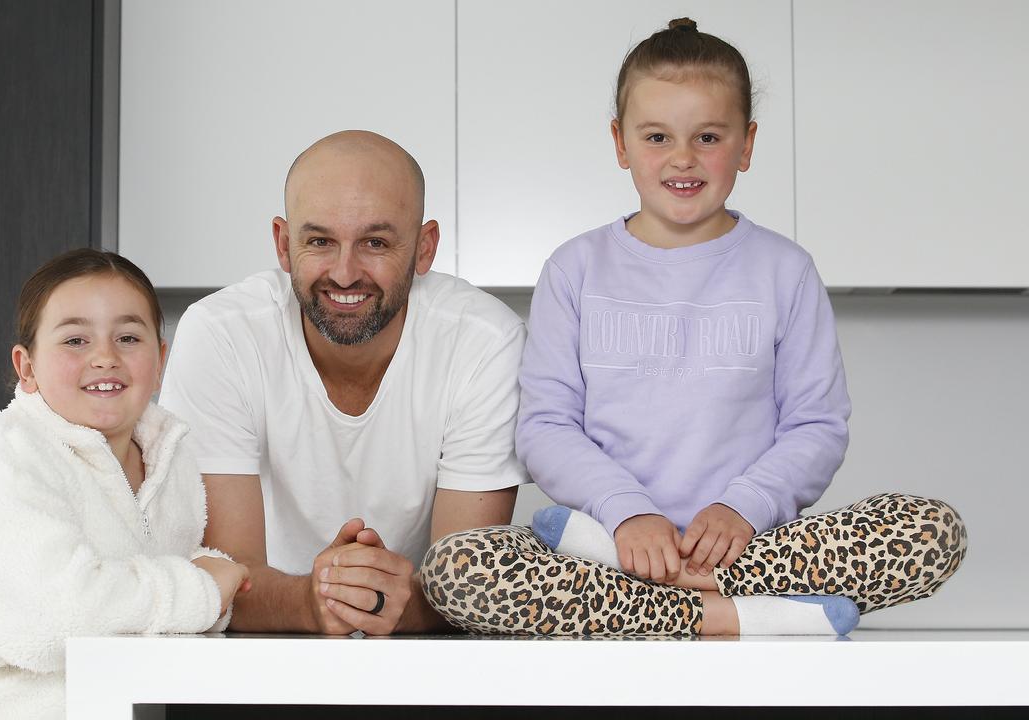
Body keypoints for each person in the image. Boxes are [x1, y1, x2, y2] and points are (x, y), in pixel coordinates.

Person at [421, 19, 966, 636]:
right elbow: (546, 427)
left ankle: (684, 610)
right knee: (456, 567)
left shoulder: (786, 271)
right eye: (657, 136)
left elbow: (815, 425)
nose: (683, 158)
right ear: (621, 143)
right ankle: (733, 619)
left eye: (708, 136)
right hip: (605, 553)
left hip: (752, 553)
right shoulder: (574, 269)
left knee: (931, 532)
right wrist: (627, 515)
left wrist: (742, 509)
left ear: (747, 144)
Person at [0, 250, 249, 719]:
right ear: (27, 366)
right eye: (76, 340)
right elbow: (56, 618)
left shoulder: (172, 460)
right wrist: (203, 588)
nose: (105, 357)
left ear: (160, 359)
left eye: (127, 337)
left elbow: (153, 622)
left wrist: (206, 600)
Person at [160, 130, 528, 635]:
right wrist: (310, 603)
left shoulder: (486, 342)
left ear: (425, 248)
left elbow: (467, 590)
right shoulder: (220, 335)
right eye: (319, 241)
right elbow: (221, 579)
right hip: (259, 653)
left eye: (375, 243)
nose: (345, 272)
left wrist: (381, 602)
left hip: (425, 662)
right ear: (282, 245)